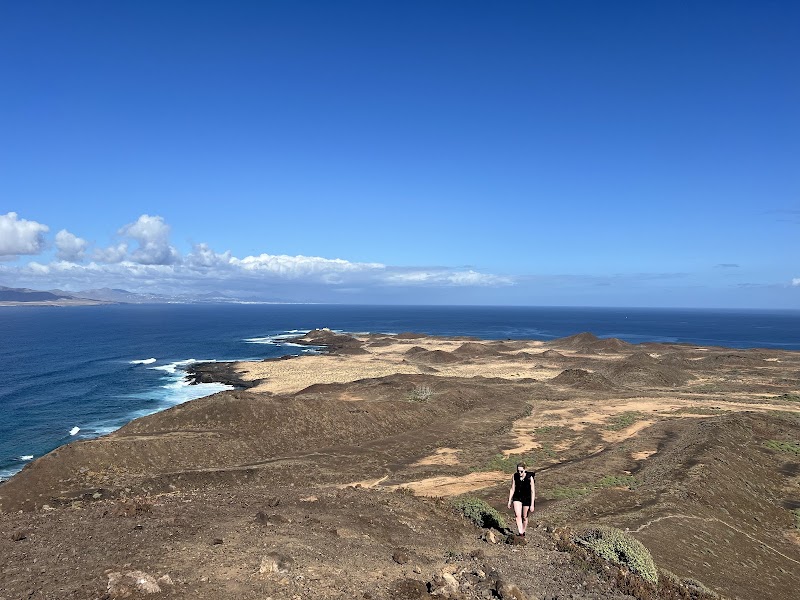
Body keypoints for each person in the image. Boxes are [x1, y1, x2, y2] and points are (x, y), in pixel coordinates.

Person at [507, 462, 535, 536]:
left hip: (527, 498)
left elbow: (532, 491)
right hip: (517, 497)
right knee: (517, 515)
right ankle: (521, 532)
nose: (519, 473)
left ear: (525, 470)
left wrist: (532, 504)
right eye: (518, 471)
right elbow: (512, 489)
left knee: (524, 517)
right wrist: (509, 500)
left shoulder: (529, 478)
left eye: (521, 471)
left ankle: (523, 530)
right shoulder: (515, 476)